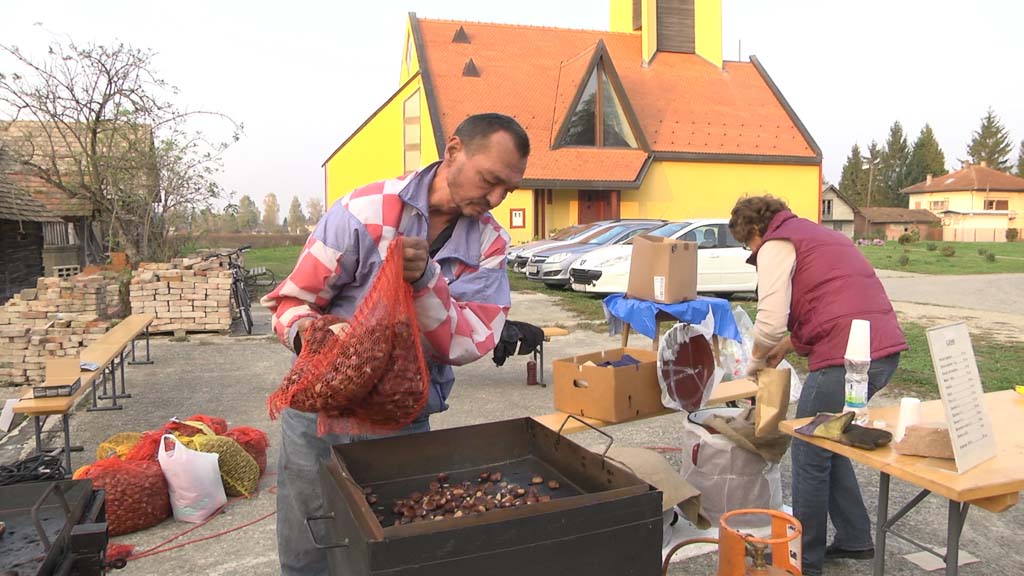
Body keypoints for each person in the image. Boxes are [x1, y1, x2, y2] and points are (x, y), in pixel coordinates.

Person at [262, 113, 530, 575]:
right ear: (453, 151)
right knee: (310, 545)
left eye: (508, 189)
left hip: (401, 416)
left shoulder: (489, 244)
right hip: (320, 414)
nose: (495, 199)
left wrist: (425, 280)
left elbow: (469, 341)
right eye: (490, 180)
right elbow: (292, 302)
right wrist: (317, 337)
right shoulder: (365, 211)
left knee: (392, 544)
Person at [728, 195, 907, 576]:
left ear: (755, 230)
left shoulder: (776, 243)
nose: (752, 252)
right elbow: (834, 302)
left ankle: (802, 560)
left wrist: (754, 363)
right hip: (883, 351)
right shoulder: (820, 236)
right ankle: (855, 537)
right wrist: (787, 346)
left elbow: (770, 322)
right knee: (829, 440)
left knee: (809, 452)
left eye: (748, 244)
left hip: (846, 359)